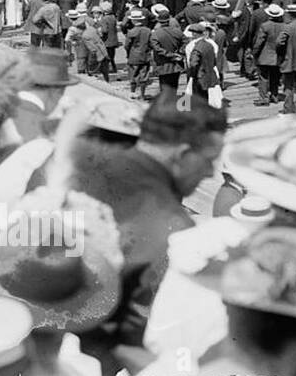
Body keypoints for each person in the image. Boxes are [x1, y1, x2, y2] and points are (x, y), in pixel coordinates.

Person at [68, 89, 227, 348]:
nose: (210, 173)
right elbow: (148, 332)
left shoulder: (75, 161)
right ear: (182, 154)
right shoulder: (174, 231)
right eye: (209, 160)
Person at [251, 2, 286, 106]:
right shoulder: (284, 26)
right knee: (275, 77)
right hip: (278, 56)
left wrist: (254, 53)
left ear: (269, 15)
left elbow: (259, 42)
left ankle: (263, 98)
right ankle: (274, 96)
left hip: (264, 56)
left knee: (263, 77)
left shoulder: (265, 26)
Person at [149, 4, 185, 98]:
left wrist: (170, 55)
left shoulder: (155, 34)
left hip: (162, 65)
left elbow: (157, 49)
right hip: (176, 64)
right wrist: (179, 53)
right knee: (174, 86)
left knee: (164, 87)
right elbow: (186, 43)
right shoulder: (178, 31)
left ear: (158, 20)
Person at [123, 10, 152, 100]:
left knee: (133, 76)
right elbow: (151, 43)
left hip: (133, 56)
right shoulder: (148, 30)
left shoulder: (131, 32)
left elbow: (127, 45)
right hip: (145, 55)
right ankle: (142, 95)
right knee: (144, 76)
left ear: (133, 20)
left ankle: (133, 93)